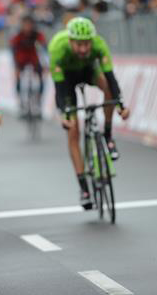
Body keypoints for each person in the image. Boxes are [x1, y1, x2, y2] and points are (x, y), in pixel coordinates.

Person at [48, 17, 130, 209]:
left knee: (108, 90)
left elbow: (111, 78)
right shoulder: (58, 49)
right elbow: (59, 89)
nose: (84, 49)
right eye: (79, 45)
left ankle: (108, 136)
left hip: (88, 70)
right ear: (70, 42)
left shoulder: (99, 45)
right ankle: (84, 187)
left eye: (87, 44)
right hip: (66, 80)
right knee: (73, 131)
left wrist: (121, 106)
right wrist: (64, 115)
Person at [9, 15, 46, 114]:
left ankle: (38, 101)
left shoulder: (37, 34)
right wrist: (16, 67)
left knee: (42, 77)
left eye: (29, 25)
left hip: (33, 58)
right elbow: (13, 50)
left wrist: (45, 64)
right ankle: (21, 101)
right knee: (18, 79)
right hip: (21, 59)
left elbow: (44, 45)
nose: (27, 27)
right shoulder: (18, 35)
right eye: (25, 25)